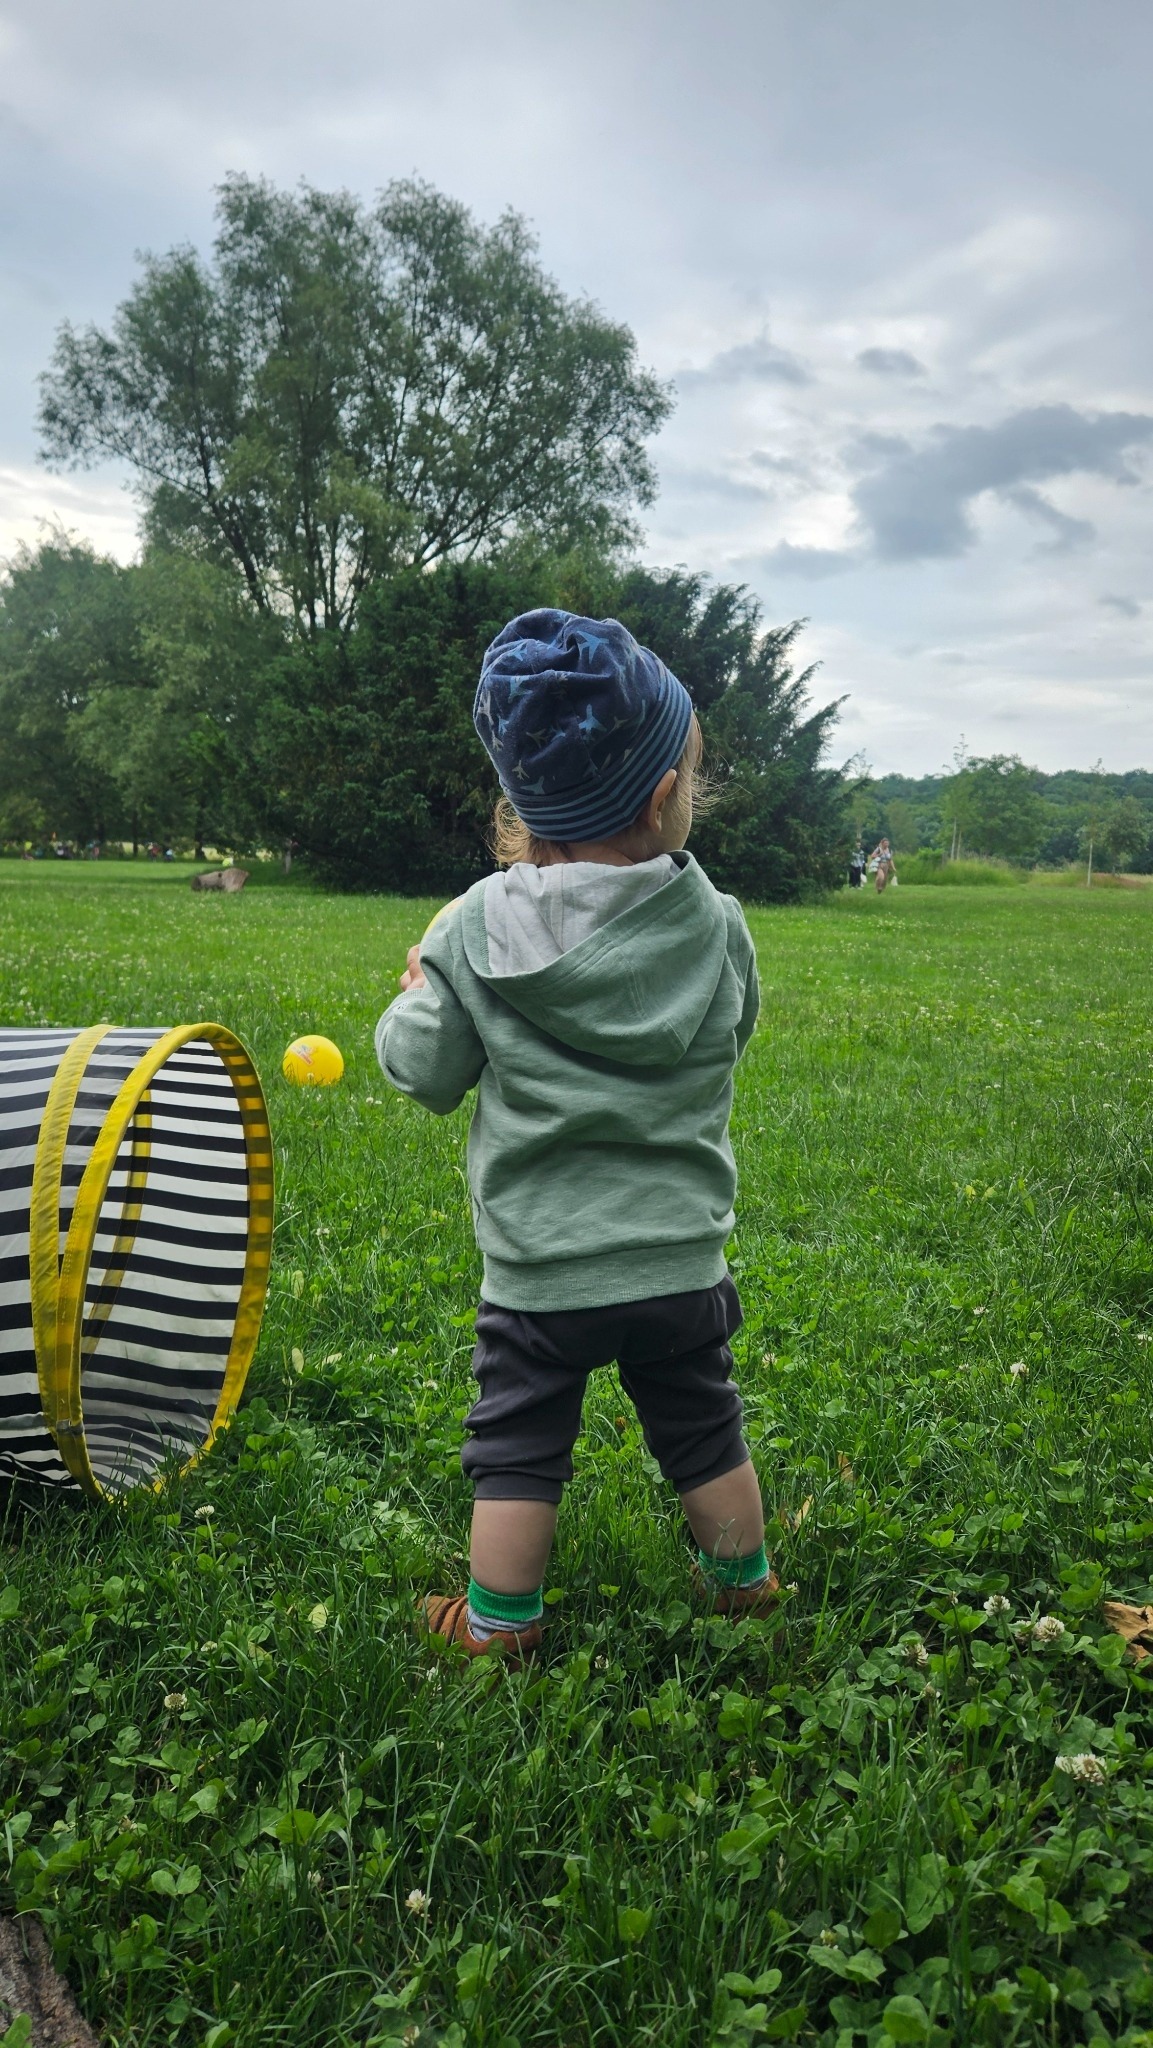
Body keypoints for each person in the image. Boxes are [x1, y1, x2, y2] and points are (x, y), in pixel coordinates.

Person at [375, 609, 775, 1663]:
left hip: (542, 1269)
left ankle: (502, 1625)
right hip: (677, 1255)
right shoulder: (716, 918)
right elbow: (736, 1028)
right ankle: (743, 1581)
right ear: (660, 797)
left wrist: (419, 983)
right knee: (702, 1425)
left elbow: (423, 1071)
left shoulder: (470, 926)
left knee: (517, 1450)